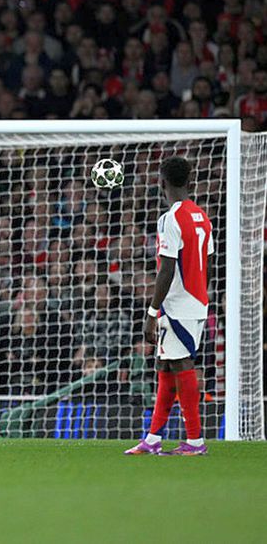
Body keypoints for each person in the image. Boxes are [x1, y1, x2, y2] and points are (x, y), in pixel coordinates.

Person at [125, 157, 213, 456]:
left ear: (161, 182)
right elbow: (207, 263)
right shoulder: (202, 217)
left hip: (178, 304)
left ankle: (195, 440)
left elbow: (167, 268)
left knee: (181, 365)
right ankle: (153, 438)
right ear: (190, 181)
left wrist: (152, 312)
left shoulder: (170, 218)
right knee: (165, 365)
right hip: (195, 301)